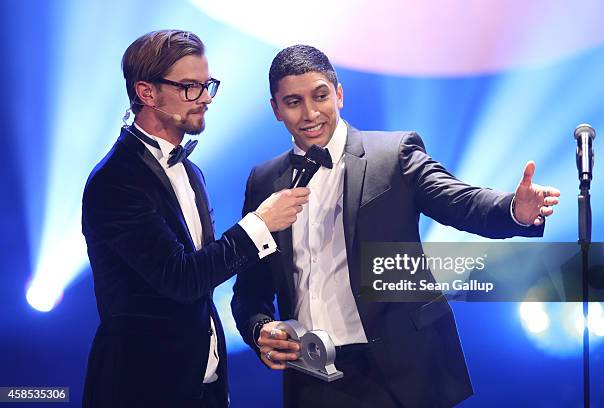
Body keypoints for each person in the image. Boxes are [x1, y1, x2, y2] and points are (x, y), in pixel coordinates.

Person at [231, 45, 560, 407]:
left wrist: (513, 208)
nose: (310, 113)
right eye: (293, 102)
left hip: (400, 373)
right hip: (312, 377)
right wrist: (260, 327)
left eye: (320, 96)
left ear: (339, 94)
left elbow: (460, 201)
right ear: (275, 109)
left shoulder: (393, 155)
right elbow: (251, 286)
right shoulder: (263, 181)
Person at [81, 30, 308, 408]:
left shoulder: (191, 172)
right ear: (147, 93)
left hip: (203, 389)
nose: (205, 98)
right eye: (190, 87)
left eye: (207, 86)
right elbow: (181, 279)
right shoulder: (116, 180)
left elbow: (204, 278)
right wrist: (259, 224)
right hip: (140, 390)